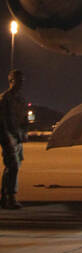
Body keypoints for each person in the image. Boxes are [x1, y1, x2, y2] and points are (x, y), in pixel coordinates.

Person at [0, 70, 27, 210]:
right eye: (19, 80)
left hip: (18, 137)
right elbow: (3, 121)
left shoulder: (21, 99)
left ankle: (5, 197)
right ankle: (10, 196)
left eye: (23, 80)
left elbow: (24, 119)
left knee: (13, 167)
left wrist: (24, 133)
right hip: (8, 137)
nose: (21, 83)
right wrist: (7, 138)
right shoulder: (5, 99)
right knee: (13, 166)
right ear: (11, 81)